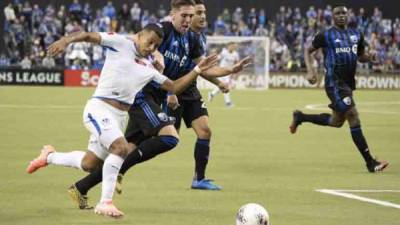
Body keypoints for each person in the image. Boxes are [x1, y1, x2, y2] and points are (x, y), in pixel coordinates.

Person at [67, 0, 250, 210]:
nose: (189, 20)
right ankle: (109, 188)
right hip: (142, 95)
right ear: (173, 14)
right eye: (185, 15)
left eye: (192, 16)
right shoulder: (163, 30)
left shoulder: (192, 38)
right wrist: (155, 54)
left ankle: (81, 187)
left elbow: (203, 68)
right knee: (169, 138)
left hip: (158, 96)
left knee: (126, 150)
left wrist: (230, 70)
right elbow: (140, 40)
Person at [26, 23, 219, 218]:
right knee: (121, 148)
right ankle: (105, 203)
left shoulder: (149, 67)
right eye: (149, 42)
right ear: (139, 36)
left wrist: (196, 70)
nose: (151, 47)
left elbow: (174, 87)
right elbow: (87, 36)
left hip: (118, 117)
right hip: (99, 108)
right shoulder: (120, 42)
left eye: (156, 45)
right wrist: (65, 40)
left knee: (90, 164)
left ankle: (48, 156)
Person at [289, 5, 388, 173]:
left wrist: (370, 57)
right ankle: (370, 162)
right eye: (338, 13)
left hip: (348, 83)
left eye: (344, 13)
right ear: (332, 16)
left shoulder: (356, 34)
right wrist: (311, 70)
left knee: (336, 122)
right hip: (334, 83)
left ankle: (300, 117)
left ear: (348, 15)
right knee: (353, 115)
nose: (341, 16)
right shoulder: (325, 35)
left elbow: (361, 56)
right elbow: (308, 50)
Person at [208, 42, 240, 107]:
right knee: (226, 86)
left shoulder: (236, 54)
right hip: (221, 71)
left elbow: (237, 63)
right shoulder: (224, 52)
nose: (232, 47)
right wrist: (213, 64)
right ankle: (228, 102)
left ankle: (212, 94)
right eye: (231, 46)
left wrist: (235, 74)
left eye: (234, 46)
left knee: (222, 86)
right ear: (228, 46)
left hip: (228, 72)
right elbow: (217, 58)